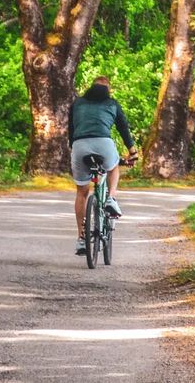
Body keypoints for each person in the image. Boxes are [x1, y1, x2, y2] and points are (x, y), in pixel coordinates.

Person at [69, 74, 139, 256]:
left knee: (81, 192)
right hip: (104, 144)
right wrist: (132, 152)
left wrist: (75, 149)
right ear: (108, 90)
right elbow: (123, 129)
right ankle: (111, 199)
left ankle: (81, 239)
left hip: (79, 145)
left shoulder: (78, 103)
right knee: (113, 166)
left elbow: (71, 129)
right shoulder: (112, 104)